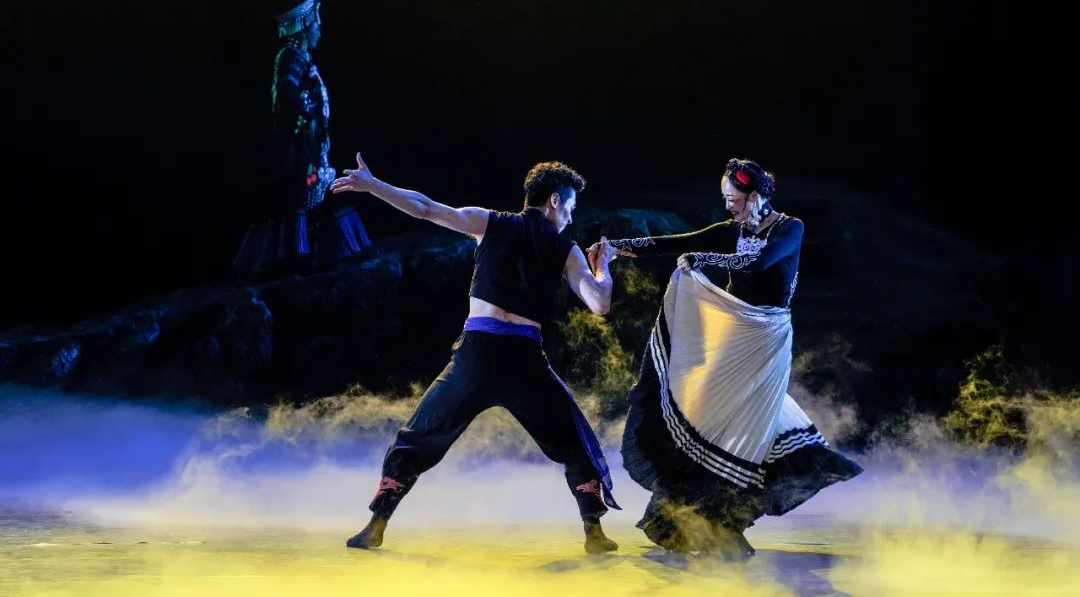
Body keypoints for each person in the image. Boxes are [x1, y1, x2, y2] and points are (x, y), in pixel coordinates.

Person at [330, 155, 622, 553]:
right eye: (570, 208)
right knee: (574, 442)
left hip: (478, 357)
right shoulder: (565, 249)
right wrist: (603, 267)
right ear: (554, 200)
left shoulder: (491, 222)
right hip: (523, 363)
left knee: (417, 438)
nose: (571, 218)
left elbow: (427, 208)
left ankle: (375, 526)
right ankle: (594, 535)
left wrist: (374, 185)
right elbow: (600, 303)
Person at [595, 158, 862, 556]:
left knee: (747, 430)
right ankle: (692, 518)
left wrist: (707, 259)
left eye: (733, 199)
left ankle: (724, 521)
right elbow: (676, 242)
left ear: (754, 197)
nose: (728, 206)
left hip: (766, 339)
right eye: (725, 199)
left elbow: (760, 262)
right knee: (711, 420)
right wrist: (614, 247)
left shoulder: (790, 228)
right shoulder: (733, 230)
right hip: (734, 337)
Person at [233, 0, 370, 277]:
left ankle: (320, 252)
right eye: (317, 25)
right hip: (299, 146)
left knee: (316, 196)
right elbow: (287, 90)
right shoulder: (290, 56)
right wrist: (306, 114)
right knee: (304, 197)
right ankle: (298, 257)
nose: (320, 31)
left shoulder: (302, 58)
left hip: (313, 144)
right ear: (306, 27)